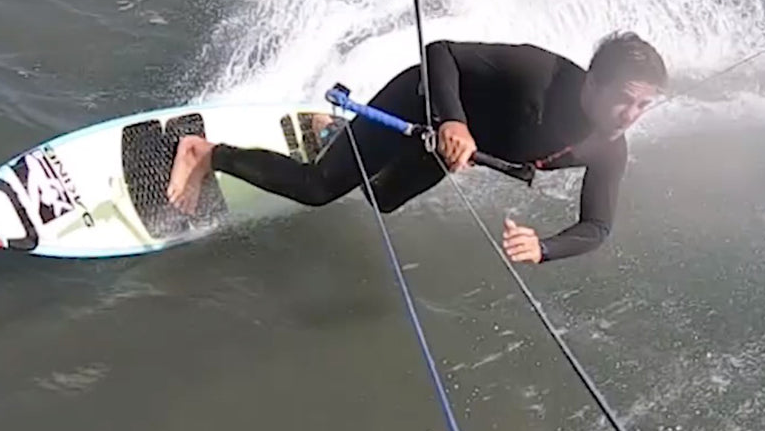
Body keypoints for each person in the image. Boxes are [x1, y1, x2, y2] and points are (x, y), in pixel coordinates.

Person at [167, 32, 667, 264]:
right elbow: (440, 53)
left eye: (643, 107)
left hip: (448, 147)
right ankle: (206, 154)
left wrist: (545, 247)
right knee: (318, 188)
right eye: (626, 101)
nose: (631, 117)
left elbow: (597, 226)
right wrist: (454, 121)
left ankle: (338, 134)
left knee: (381, 197)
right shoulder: (538, 74)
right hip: (423, 99)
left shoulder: (609, 148)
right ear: (595, 82)